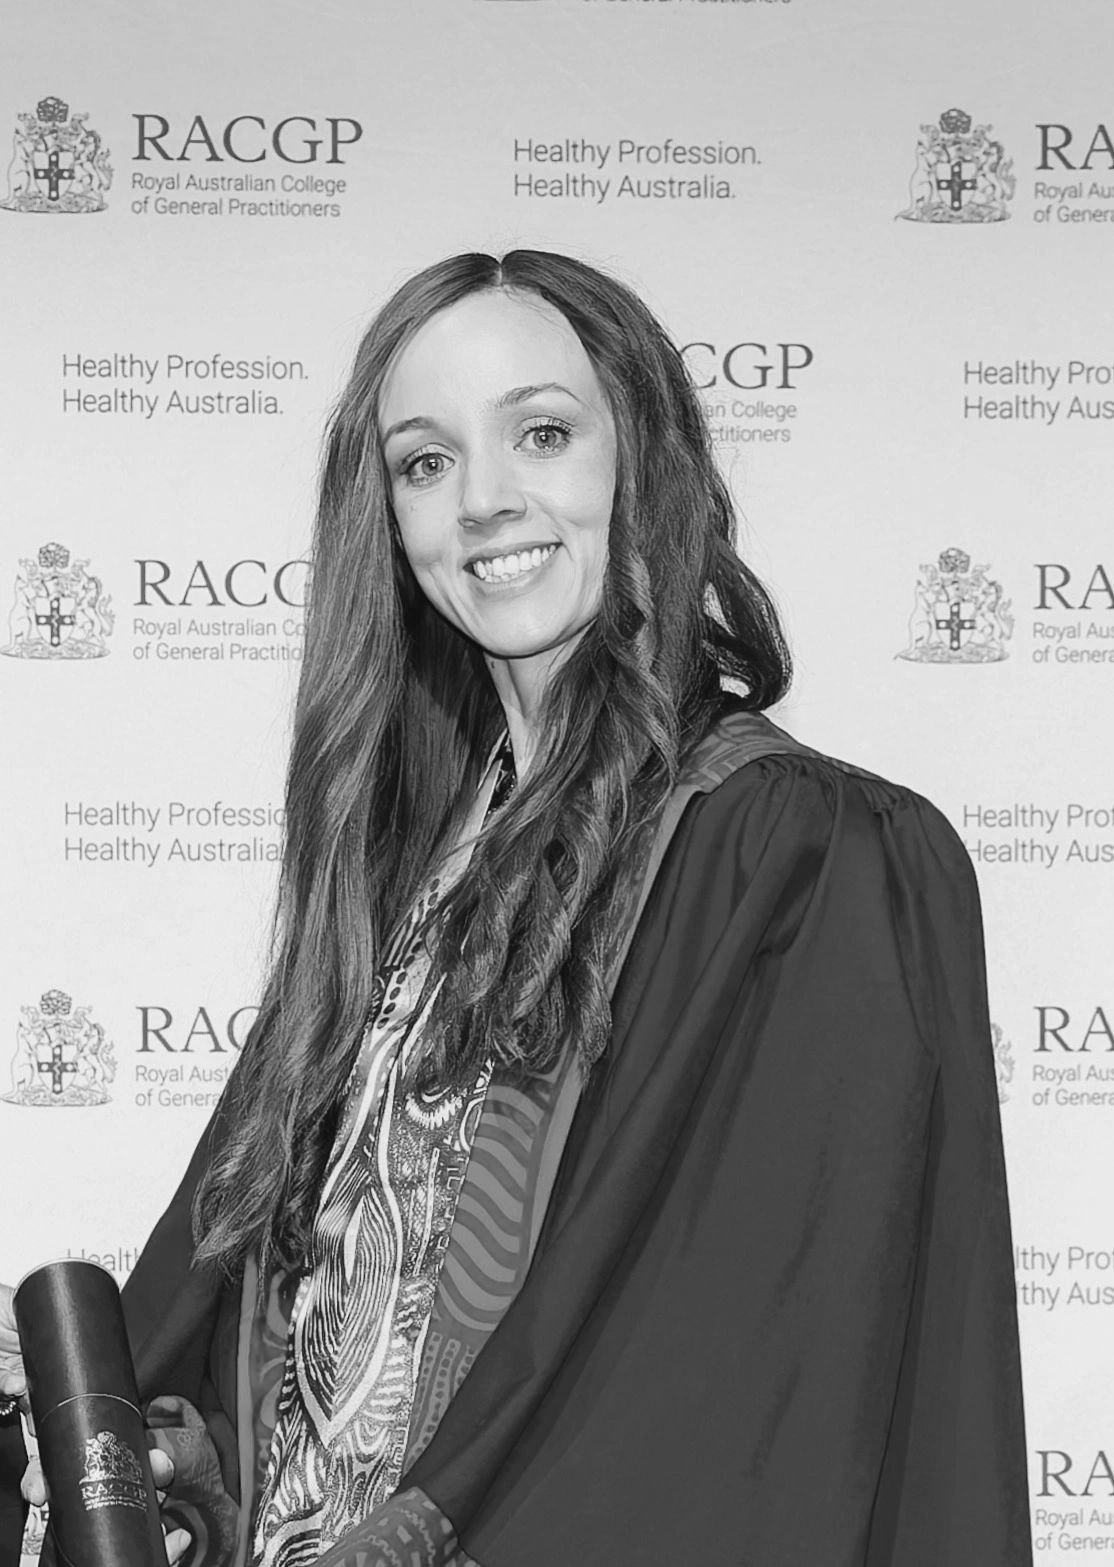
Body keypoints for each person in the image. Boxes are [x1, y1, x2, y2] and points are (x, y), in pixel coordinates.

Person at [0, 249, 1032, 1567]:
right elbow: (299, 1347)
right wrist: (174, 1473)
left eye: (540, 433)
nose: (484, 502)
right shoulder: (399, 882)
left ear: (640, 455)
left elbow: (733, 1391)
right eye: (424, 463)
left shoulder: (795, 856)